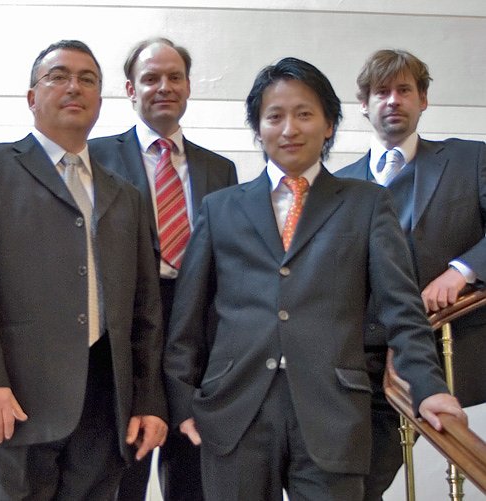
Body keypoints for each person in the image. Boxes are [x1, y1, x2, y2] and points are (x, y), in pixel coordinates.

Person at [163, 56, 466, 500]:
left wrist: (428, 388)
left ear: (329, 125)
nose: (289, 129)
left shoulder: (367, 204)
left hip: (333, 412)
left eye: (304, 114)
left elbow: (402, 309)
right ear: (258, 128)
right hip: (234, 412)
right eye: (275, 117)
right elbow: (187, 318)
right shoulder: (221, 208)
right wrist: (182, 402)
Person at [0, 40, 168, 500]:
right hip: (12, 402)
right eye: (58, 76)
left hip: (105, 408)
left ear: (100, 98)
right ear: (31, 96)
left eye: (87, 79)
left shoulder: (126, 195)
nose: (73, 87)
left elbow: (145, 309)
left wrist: (147, 399)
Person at [89, 37, 237, 501]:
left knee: (192, 479)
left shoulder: (220, 170)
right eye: (151, 78)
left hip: (195, 339)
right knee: (122, 476)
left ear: (189, 86)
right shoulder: (95, 158)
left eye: (175, 77)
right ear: (130, 90)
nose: (164, 87)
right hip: (125, 333)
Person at [336, 48, 486, 500]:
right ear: (364, 104)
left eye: (404, 90)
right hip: (356, 364)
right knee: (346, 483)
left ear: (423, 99)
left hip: (435, 352)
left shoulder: (470, 159)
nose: (393, 100)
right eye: (381, 91)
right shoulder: (339, 184)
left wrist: (462, 271)